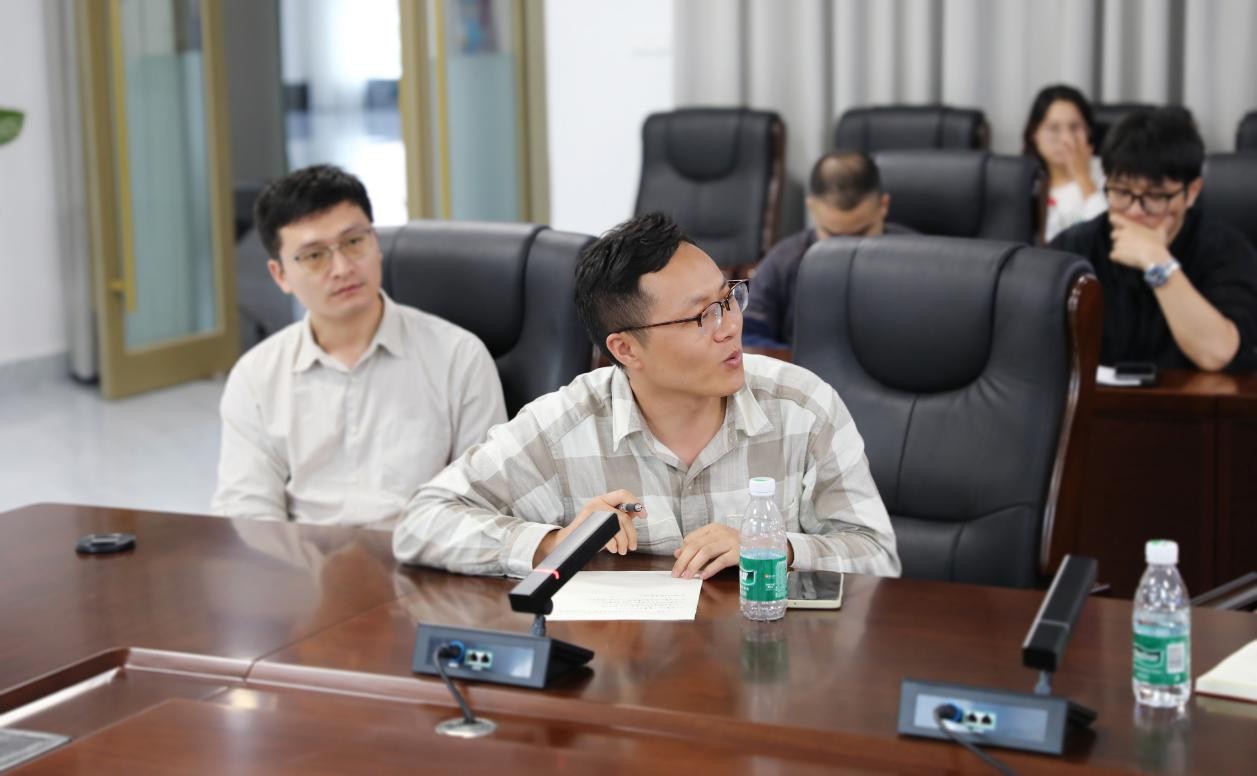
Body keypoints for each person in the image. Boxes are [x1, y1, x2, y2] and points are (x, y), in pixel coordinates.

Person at [393, 212, 900, 580]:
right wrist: (555, 542)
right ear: (626, 348)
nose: (731, 326)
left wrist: (776, 549)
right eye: (703, 316)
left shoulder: (801, 406)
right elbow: (422, 522)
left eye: (729, 298)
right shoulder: (564, 424)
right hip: (631, 673)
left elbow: (878, 555)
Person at [212, 164, 507, 528]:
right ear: (280, 275)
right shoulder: (256, 376)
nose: (342, 268)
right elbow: (248, 511)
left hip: (424, 556)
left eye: (353, 242)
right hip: (303, 559)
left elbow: (486, 501)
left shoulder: (459, 357)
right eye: (314, 256)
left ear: (375, 243)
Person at [1050, 107, 1257, 372]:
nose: (1135, 211)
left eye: (1156, 196)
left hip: (1193, 398)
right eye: (1121, 192)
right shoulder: (1072, 249)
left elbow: (1217, 353)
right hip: (1095, 398)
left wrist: (1156, 262)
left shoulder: (1226, 251)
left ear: (1192, 192)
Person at [742, 152, 910, 348]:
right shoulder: (783, 261)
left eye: (861, 234)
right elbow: (749, 336)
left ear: (884, 205)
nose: (847, 249)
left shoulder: (918, 261)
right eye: (834, 236)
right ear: (812, 208)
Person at [1024, 84, 1108, 243]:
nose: (1066, 139)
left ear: (1089, 131)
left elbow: (1105, 236)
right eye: (1054, 128)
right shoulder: (1025, 182)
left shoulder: (1109, 172)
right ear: (1034, 134)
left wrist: (1082, 177)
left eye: (1075, 127)